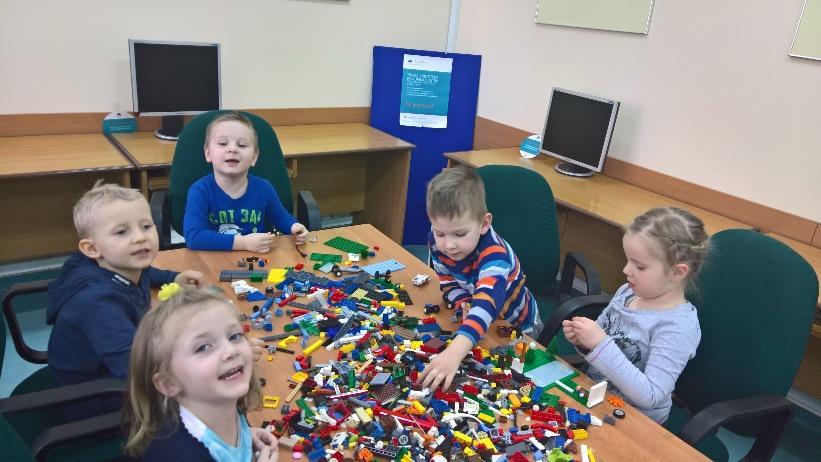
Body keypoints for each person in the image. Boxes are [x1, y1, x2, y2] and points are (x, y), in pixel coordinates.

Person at [47, 182, 203, 420]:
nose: (140, 238)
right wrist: (205, 361)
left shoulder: (116, 264)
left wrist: (174, 277)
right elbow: (138, 370)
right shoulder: (98, 305)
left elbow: (147, 272)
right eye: (122, 232)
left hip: (108, 369)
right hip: (96, 402)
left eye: (146, 226)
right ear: (91, 248)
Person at [562, 207, 708, 423]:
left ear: (677, 272)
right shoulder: (628, 292)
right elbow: (599, 345)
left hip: (634, 420)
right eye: (629, 260)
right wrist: (583, 342)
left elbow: (651, 396)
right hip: (594, 393)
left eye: (639, 266)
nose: (626, 270)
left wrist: (600, 344)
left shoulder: (678, 328)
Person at [418, 166, 540, 391]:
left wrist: (454, 353)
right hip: (482, 321)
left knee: (510, 378)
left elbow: (486, 303)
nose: (448, 245)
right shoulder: (436, 243)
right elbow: (448, 281)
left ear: (484, 223)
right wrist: (463, 302)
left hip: (519, 325)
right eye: (440, 232)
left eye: (460, 234)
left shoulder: (495, 255)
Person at [125, 286, 279, 461]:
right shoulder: (178, 455)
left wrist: (245, 437)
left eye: (234, 336)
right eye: (203, 347)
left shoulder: (219, 400)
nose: (230, 350)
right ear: (169, 383)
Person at [183, 111, 309, 252]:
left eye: (242, 145)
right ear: (208, 154)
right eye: (223, 143)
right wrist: (243, 243)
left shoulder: (264, 188)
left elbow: (280, 217)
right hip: (215, 259)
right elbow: (194, 237)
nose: (232, 149)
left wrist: (294, 227)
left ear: (254, 157)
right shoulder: (200, 191)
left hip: (259, 259)